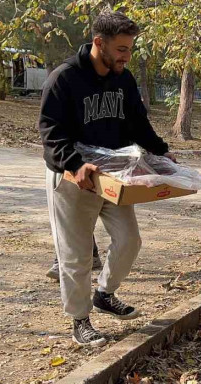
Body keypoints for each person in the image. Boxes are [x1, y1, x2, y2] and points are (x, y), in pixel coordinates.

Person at [39, 10, 175, 347]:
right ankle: (80, 319)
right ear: (99, 43)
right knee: (77, 254)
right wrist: (74, 165)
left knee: (129, 240)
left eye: (130, 49)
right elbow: (51, 132)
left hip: (114, 177)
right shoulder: (65, 78)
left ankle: (105, 293)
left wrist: (161, 152)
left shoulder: (123, 79)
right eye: (121, 49)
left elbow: (138, 124)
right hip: (73, 177)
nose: (126, 57)